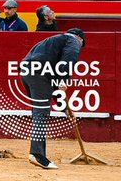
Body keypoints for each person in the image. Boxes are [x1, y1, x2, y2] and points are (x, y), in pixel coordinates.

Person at [20, 28, 86, 169]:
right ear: (80, 39)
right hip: (39, 73)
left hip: (28, 71)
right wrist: (63, 79)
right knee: (41, 113)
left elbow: (54, 89)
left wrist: (65, 110)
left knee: (39, 112)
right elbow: (70, 57)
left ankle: (37, 152)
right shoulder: (74, 40)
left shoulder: (52, 42)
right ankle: (37, 154)